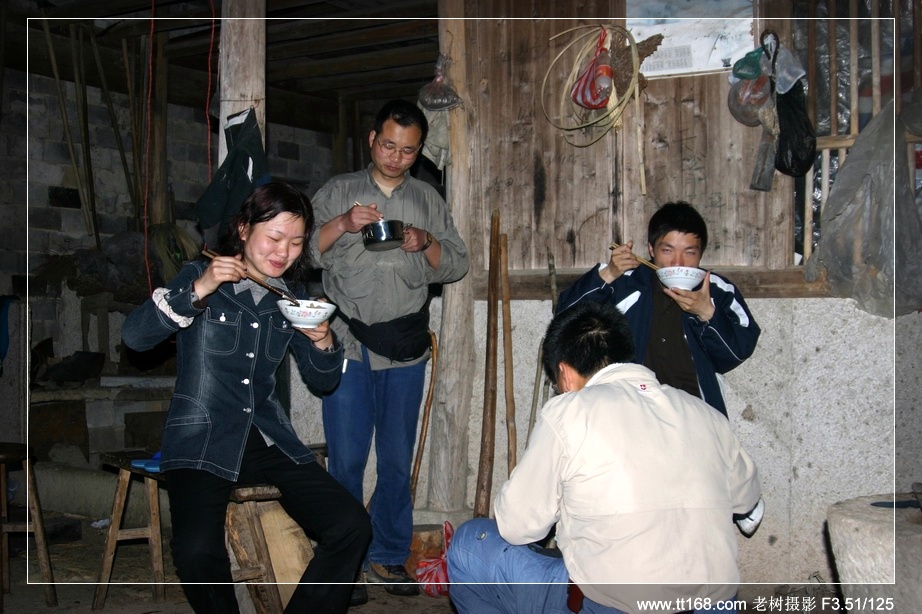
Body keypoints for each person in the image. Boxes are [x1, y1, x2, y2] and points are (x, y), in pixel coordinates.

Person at [121, 182, 371, 614]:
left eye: (296, 242)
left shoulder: (290, 302)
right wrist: (199, 288)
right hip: (201, 437)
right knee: (198, 553)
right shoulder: (200, 277)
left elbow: (324, 380)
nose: (284, 252)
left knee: (351, 525)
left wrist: (324, 342)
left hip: (267, 438)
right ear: (242, 228)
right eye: (274, 238)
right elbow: (134, 337)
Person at [446, 301, 763, 614]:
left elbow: (517, 526)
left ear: (565, 374)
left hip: (619, 607)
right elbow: (746, 501)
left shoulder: (569, 412)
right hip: (713, 606)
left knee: (470, 544)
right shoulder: (705, 414)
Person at [309, 99, 469, 599]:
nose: (396, 156)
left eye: (408, 150)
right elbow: (305, 250)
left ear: (419, 152)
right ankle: (344, 560)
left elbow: (456, 265)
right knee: (348, 458)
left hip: (405, 348)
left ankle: (386, 554)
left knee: (397, 459)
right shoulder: (338, 191)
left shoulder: (427, 199)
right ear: (373, 139)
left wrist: (426, 243)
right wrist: (343, 223)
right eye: (388, 145)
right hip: (349, 344)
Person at [556, 201, 760, 417]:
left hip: (696, 414)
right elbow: (565, 319)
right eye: (667, 250)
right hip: (629, 412)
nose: (678, 262)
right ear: (652, 249)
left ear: (701, 254)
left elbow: (738, 352)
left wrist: (707, 313)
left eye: (689, 253)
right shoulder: (625, 281)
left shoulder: (716, 290)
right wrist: (608, 275)